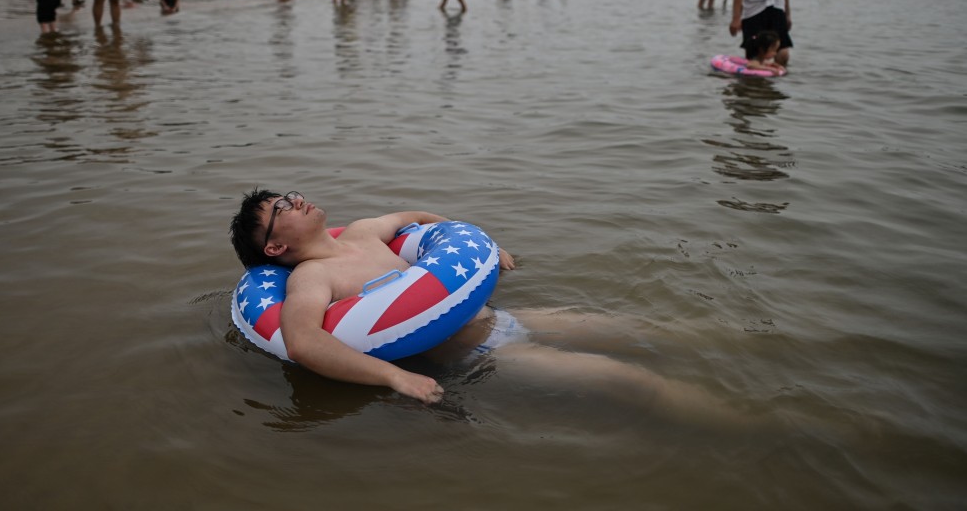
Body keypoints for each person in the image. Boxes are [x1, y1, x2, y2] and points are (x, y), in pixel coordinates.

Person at [229, 190, 753, 427]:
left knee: (645, 327)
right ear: (274, 248)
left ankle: (749, 344)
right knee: (631, 381)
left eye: (288, 195)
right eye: (280, 209)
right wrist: (393, 379)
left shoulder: (365, 232)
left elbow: (426, 219)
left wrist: (483, 252)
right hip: (478, 356)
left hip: (496, 320)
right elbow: (304, 342)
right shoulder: (312, 278)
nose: (294, 200)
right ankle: (765, 423)